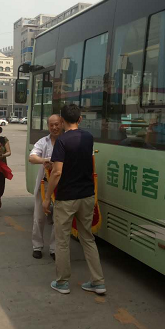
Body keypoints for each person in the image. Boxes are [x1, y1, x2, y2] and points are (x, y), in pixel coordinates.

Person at [43, 104, 106, 295]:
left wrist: (47, 197)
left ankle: (62, 282)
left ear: (62, 120)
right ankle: (98, 282)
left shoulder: (62, 141)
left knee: (62, 241)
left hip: (67, 198)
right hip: (87, 196)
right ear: (80, 119)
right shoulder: (88, 137)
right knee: (88, 238)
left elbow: (57, 172)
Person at [29, 114, 62, 260]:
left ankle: (54, 248)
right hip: (45, 184)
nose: (54, 127)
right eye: (51, 125)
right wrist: (44, 160)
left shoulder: (66, 141)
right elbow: (32, 157)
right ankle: (37, 246)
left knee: (58, 219)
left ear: (62, 124)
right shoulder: (43, 141)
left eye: (57, 124)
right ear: (48, 126)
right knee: (39, 217)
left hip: (61, 185)